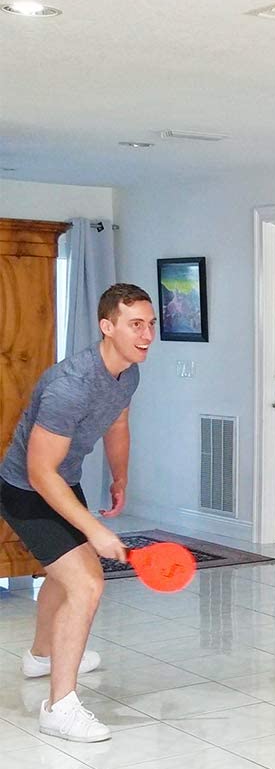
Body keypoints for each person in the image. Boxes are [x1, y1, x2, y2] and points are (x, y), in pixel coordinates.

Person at [0, 283, 155, 743]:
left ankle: (43, 655)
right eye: (135, 325)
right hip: (26, 489)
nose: (146, 334)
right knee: (87, 582)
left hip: (61, 481)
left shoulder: (128, 373)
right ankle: (59, 706)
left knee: (65, 577)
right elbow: (40, 472)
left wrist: (120, 477)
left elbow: (118, 423)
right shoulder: (70, 385)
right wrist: (95, 529)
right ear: (108, 327)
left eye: (150, 325)